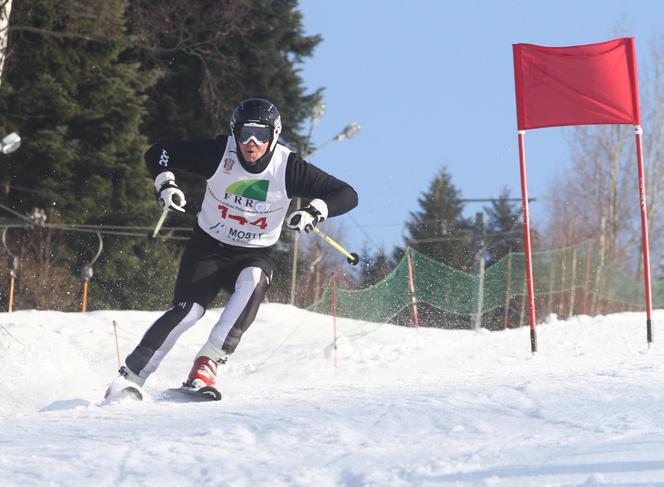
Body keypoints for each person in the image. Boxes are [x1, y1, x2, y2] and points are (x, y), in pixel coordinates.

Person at [106, 98, 358, 398]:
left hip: (252, 253)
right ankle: (131, 376)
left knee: (254, 279)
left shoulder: (287, 167)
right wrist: (166, 184)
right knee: (188, 312)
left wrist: (314, 211)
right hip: (207, 249)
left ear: (274, 135)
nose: (251, 143)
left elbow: (347, 194)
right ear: (234, 132)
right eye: (244, 133)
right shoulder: (218, 153)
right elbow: (159, 153)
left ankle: (206, 365)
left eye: (261, 135)